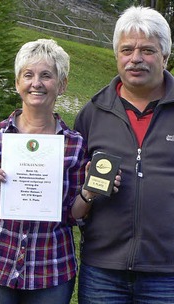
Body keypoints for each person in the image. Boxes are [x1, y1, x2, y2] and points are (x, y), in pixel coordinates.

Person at [0, 39, 113, 303]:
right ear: (17, 83)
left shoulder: (75, 144)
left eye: (47, 76)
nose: (37, 83)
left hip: (51, 265)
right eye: (28, 75)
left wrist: (89, 192)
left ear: (62, 84)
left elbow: (72, 215)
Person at [74, 6, 174, 303]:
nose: (136, 59)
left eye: (148, 50)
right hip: (103, 270)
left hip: (168, 272)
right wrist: (87, 193)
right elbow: (71, 192)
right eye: (127, 50)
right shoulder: (92, 113)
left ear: (165, 56)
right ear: (116, 55)